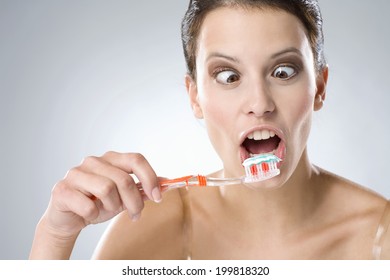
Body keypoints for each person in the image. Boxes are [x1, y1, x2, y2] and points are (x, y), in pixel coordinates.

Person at [30, 0, 390, 260]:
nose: (259, 102)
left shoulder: (380, 236)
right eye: (228, 76)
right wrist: (54, 235)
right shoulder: (158, 223)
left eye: (283, 72)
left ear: (320, 87)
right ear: (195, 98)